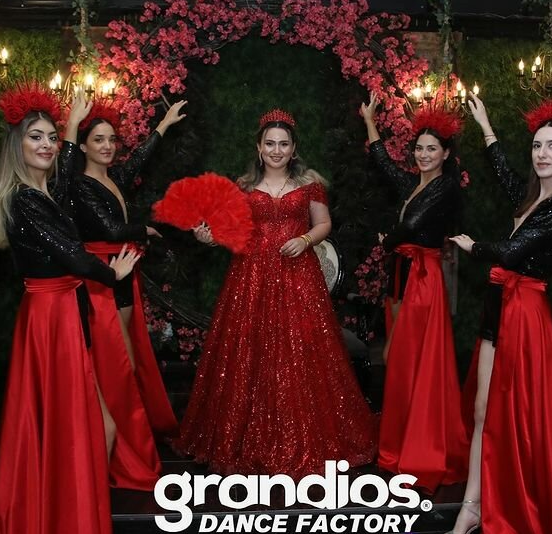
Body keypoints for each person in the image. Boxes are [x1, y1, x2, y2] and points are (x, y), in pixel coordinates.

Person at [0, 84, 142, 534]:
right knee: (86, 432)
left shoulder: (44, 192)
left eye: (49, 137)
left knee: (94, 429)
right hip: (52, 318)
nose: (45, 145)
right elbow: (72, 256)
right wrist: (112, 273)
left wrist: (70, 131)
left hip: (62, 311)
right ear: (17, 145)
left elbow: (66, 181)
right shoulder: (24, 200)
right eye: (36, 138)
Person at [440, 94, 552, 534]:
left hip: (525, 314)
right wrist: (487, 126)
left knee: (518, 417)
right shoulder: (533, 198)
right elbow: (506, 176)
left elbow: (512, 252)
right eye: (537, 145)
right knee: (482, 411)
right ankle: (472, 508)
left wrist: (474, 247)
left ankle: (513, 504)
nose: (542, 153)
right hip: (500, 306)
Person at [177, 108, 377, 478]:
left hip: (299, 278)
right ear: (258, 147)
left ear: (294, 148)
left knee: (303, 353)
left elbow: (324, 224)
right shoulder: (242, 187)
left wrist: (305, 239)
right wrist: (208, 238)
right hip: (250, 278)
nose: (276, 150)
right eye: (270, 143)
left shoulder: (310, 185)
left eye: (283, 144)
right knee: (249, 354)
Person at [67, 97, 186, 490]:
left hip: (121, 274)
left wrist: (163, 125)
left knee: (128, 363)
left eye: (111, 140)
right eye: (98, 140)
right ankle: (116, 445)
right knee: (118, 365)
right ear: (82, 146)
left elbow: (137, 162)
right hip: (102, 277)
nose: (107, 146)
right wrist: (145, 230)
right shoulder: (80, 185)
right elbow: (111, 230)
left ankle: (124, 438)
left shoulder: (111, 178)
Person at [360, 92, 468, 493]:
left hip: (423, 278)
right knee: (399, 358)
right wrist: (369, 121)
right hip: (404, 273)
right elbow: (384, 164)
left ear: (445, 153)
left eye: (431, 149)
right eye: (419, 149)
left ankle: (420, 443)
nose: (423, 155)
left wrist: (388, 240)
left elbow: (413, 225)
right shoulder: (413, 184)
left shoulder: (446, 187)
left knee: (411, 358)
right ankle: (403, 435)